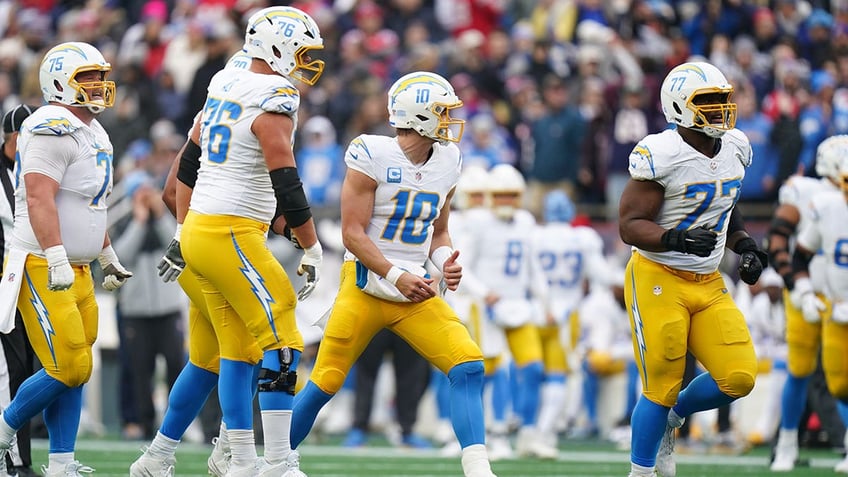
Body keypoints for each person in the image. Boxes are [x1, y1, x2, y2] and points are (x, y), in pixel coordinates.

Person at [289, 71, 497, 477]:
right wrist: (396, 273)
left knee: (469, 365)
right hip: (366, 286)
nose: (452, 118)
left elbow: (437, 231)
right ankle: (275, 460)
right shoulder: (372, 154)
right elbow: (351, 233)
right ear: (419, 115)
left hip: (413, 293)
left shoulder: (449, 161)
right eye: (443, 111)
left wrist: (444, 263)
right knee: (325, 382)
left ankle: (477, 468)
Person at [171, 6, 325, 476]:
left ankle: (235, 460)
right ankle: (278, 463)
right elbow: (287, 179)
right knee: (282, 333)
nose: (306, 60)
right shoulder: (275, 94)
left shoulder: (226, 82)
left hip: (206, 226)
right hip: (228, 230)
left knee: (234, 349)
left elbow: (188, 165)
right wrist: (311, 244)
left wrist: (182, 231)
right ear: (275, 46)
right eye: (300, 48)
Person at [618, 61, 768, 477]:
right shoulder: (662, 153)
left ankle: (673, 417)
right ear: (678, 107)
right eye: (708, 102)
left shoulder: (736, 146)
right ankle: (642, 472)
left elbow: (725, 204)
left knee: (738, 376)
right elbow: (629, 225)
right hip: (657, 274)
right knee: (660, 384)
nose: (720, 110)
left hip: (708, 278)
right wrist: (675, 238)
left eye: (723, 100)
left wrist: (744, 246)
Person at [0, 41, 133, 476]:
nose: (99, 85)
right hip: (42, 261)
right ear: (60, 82)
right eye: (87, 77)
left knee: (78, 367)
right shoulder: (48, 124)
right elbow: (39, 198)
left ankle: (60, 462)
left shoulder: (94, 130)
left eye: (100, 76)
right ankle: (4, 429)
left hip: (78, 266)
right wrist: (56, 256)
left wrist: (107, 253)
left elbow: (90, 205)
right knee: (69, 364)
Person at [766, 134, 845, 471]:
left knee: (840, 376)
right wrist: (796, 287)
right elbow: (778, 241)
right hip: (803, 288)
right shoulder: (806, 192)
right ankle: (786, 443)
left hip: (839, 292)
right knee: (799, 370)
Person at [0, 104, 38, 477]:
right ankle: (15, 459)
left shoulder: (39, 168)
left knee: (28, 371)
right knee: (10, 372)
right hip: (5, 283)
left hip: (32, 281)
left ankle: (21, 457)